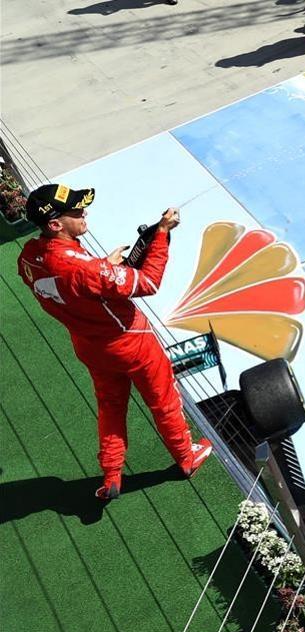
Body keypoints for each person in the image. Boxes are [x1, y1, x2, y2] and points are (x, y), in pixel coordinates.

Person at [17, 185, 212, 500]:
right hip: (131, 341)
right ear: (55, 225)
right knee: (164, 401)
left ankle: (111, 475)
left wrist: (105, 268)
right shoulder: (86, 270)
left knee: (110, 407)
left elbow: (68, 285)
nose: (84, 214)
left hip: (90, 347)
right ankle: (186, 457)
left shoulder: (29, 256)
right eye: (77, 212)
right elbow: (147, 282)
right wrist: (161, 233)